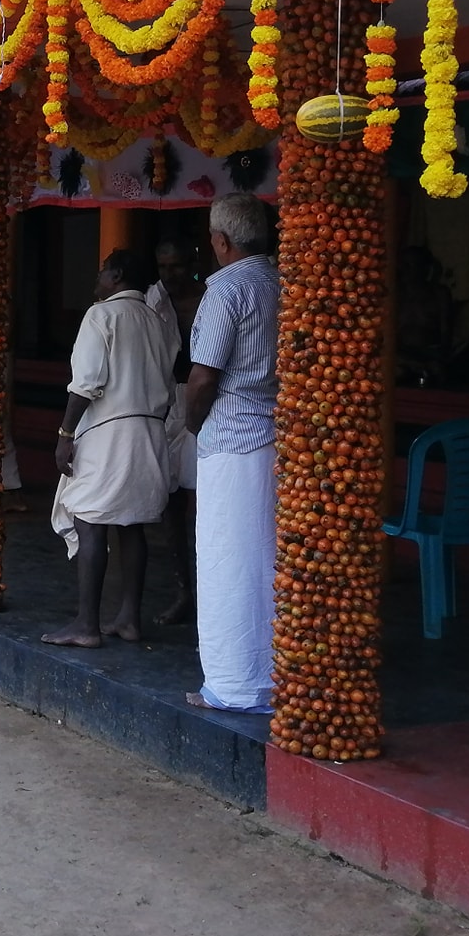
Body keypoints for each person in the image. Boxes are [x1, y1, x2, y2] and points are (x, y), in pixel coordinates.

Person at [43, 247, 179, 648]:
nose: (98, 277)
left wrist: (65, 435)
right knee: (132, 525)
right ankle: (129, 620)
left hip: (108, 434)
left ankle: (87, 625)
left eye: (103, 270)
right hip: (150, 435)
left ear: (117, 276)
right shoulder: (158, 321)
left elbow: (85, 382)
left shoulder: (101, 315)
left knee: (90, 521)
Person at [185, 192, 280, 714]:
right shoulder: (281, 281)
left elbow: (204, 376)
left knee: (228, 561)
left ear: (221, 242)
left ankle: (236, 685)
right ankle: (271, 676)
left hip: (231, 438)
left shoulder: (227, 288)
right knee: (266, 556)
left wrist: (189, 425)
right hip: (273, 435)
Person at [155, 240, 209, 626]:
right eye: (162, 267)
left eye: (176, 267)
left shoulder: (212, 299)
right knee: (170, 504)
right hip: (165, 405)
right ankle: (183, 593)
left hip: (206, 406)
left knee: (206, 505)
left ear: (192, 264)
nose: (168, 275)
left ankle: (210, 593)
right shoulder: (152, 303)